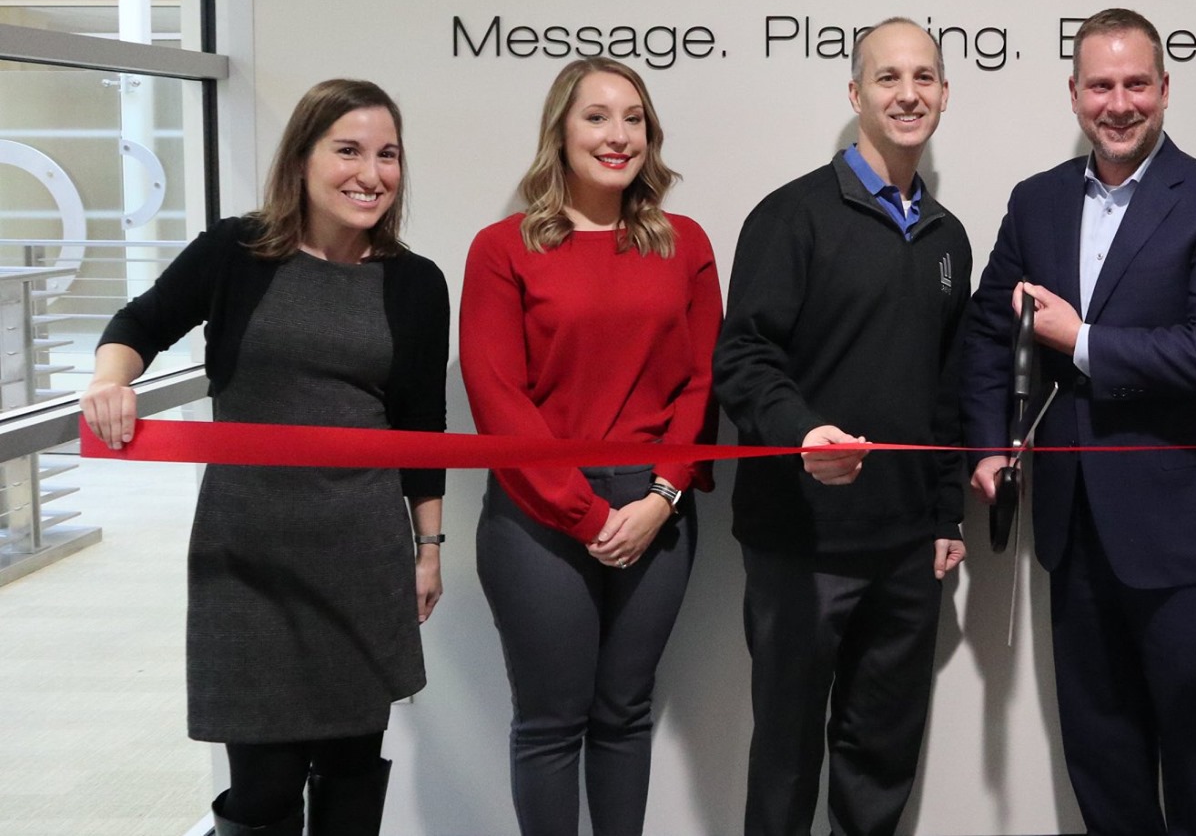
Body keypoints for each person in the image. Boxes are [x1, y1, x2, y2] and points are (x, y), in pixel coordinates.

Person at [82, 79, 448, 836]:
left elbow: (422, 424)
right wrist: (110, 379)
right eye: (347, 150)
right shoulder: (237, 252)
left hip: (360, 560)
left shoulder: (416, 282)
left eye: (388, 155)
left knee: (350, 775)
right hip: (247, 559)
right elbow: (141, 321)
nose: (369, 173)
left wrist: (430, 547)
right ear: (303, 159)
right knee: (262, 792)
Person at [964, 6, 1196, 836]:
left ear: (1166, 90)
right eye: (1101, 85)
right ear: (1074, 94)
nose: (1119, 102)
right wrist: (992, 443)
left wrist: (1082, 339)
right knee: (1101, 758)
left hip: (1185, 533)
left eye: (1137, 83)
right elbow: (990, 330)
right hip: (1073, 528)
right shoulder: (1036, 203)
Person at [713, 17, 972, 836]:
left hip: (904, 550)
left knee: (881, 754)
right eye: (888, 77)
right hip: (801, 540)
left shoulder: (948, 238)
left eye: (924, 76)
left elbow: (946, 389)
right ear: (855, 94)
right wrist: (804, 433)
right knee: (787, 756)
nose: (908, 93)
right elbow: (744, 358)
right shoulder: (791, 216)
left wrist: (945, 512)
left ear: (943, 94)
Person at [462, 57, 722, 836]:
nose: (618, 135)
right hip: (537, 518)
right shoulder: (501, 248)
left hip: (656, 510)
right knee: (549, 721)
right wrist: (582, 511)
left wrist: (660, 498)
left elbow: (700, 385)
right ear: (560, 132)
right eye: (597, 116)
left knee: (623, 713)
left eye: (633, 118)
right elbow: (497, 394)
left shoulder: (686, 243)